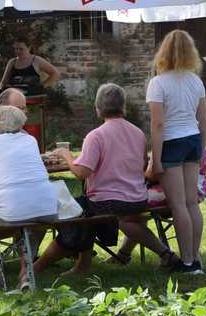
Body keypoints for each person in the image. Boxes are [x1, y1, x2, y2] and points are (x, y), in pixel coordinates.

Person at [33, 83, 179, 275]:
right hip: (137, 197)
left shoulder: (96, 136)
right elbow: (142, 165)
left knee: (76, 212)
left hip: (109, 201)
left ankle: (40, 267)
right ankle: (82, 265)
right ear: (123, 107)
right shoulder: (138, 133)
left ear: (98, 109)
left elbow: (81, 173)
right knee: (84, 208)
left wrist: (65, 155)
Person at [0, 105, 58, 292]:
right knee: (33, 224)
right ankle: (25, 274)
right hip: (48, 209)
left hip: (11, 213)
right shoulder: (30, 140)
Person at [147, 29, 206, 274]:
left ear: (163, 52)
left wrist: (157, 158)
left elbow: (158, 124)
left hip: (171, 143)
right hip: (193, 139)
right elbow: (204, 117)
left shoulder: (158, 82)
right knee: (192, 202)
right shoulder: (196, 81)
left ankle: (186, 262)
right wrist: (202, 147)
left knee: (178, 205)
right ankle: (195, 258)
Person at [107, 140, 206, 265]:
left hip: (172, 192)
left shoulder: (169, 133)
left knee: (125, 212)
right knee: (135, 206)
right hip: (196, 188)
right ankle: (124, 254)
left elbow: (153, 173)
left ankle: (166, 255)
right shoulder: (197, 130)